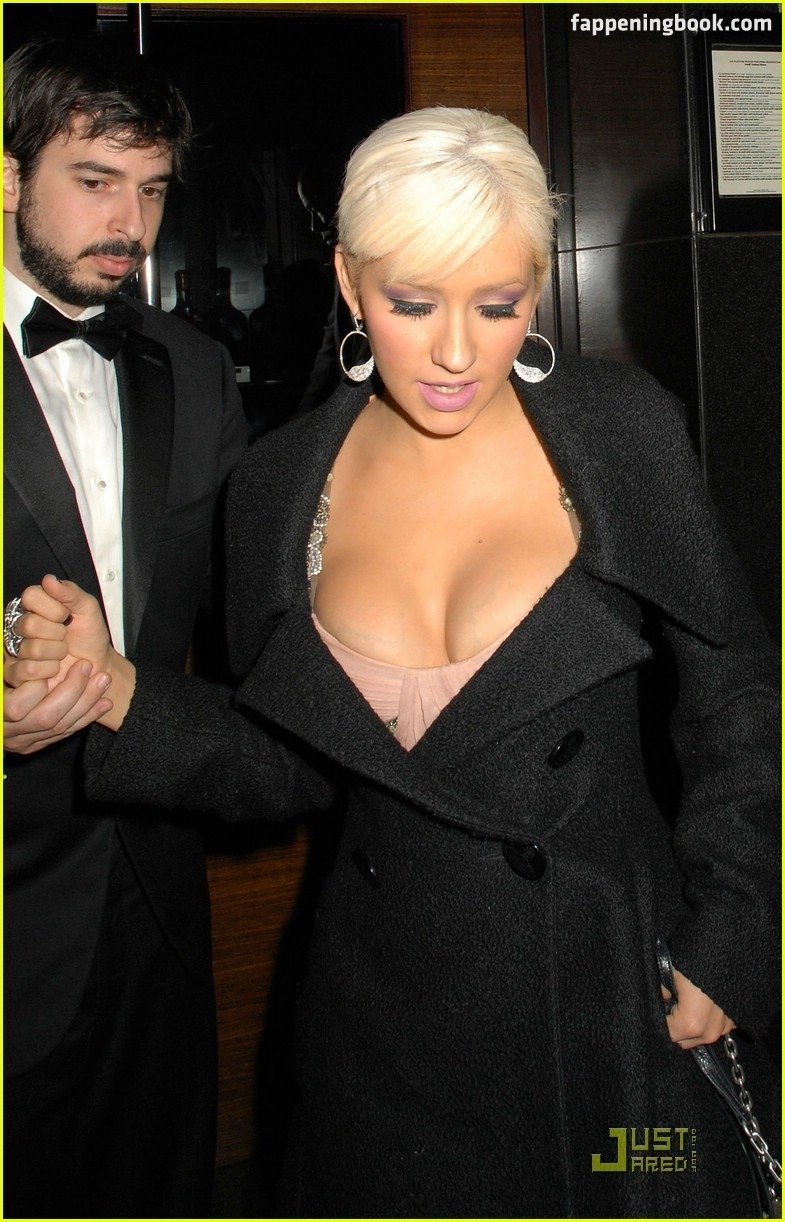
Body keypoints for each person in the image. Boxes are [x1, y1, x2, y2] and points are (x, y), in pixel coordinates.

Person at [6, 108, 779, 1218]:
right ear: (349, 283)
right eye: (414, 304)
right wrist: (120, 690)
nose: (458, 352)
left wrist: (733, 931)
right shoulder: (276, 489)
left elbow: (736, 695)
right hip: (381, 1031)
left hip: (614, 1001)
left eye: (498, 305)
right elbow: (289, 764)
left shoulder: (619, 433)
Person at [2, 35, 246, 1218]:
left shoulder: (197, 370)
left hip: (157, 903)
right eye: (95, 181)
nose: (129, 224)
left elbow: (244, 633)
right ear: (7, 176)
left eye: (151, 190)